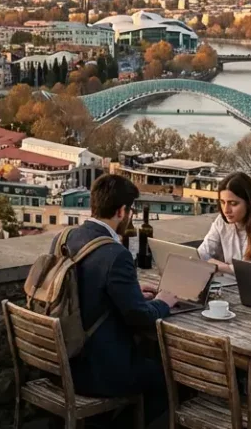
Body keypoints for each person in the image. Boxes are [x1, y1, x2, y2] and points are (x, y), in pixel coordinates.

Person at [65, 174, 178, 426]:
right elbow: (140, 317)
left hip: (63, 361)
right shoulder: (116, 254)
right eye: (130, 212)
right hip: (98, 370)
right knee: (170, 379)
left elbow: (90, 287)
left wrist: (131, 287)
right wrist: (163, 301)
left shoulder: (66, 238)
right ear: (122, 211)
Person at [198, 171, 251, 272]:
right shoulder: (221, 222)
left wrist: (225, 267)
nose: (226, 210)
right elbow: (202, 254)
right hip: (229, 284)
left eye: (233, 203)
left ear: (249, 203)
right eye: (222, 202)